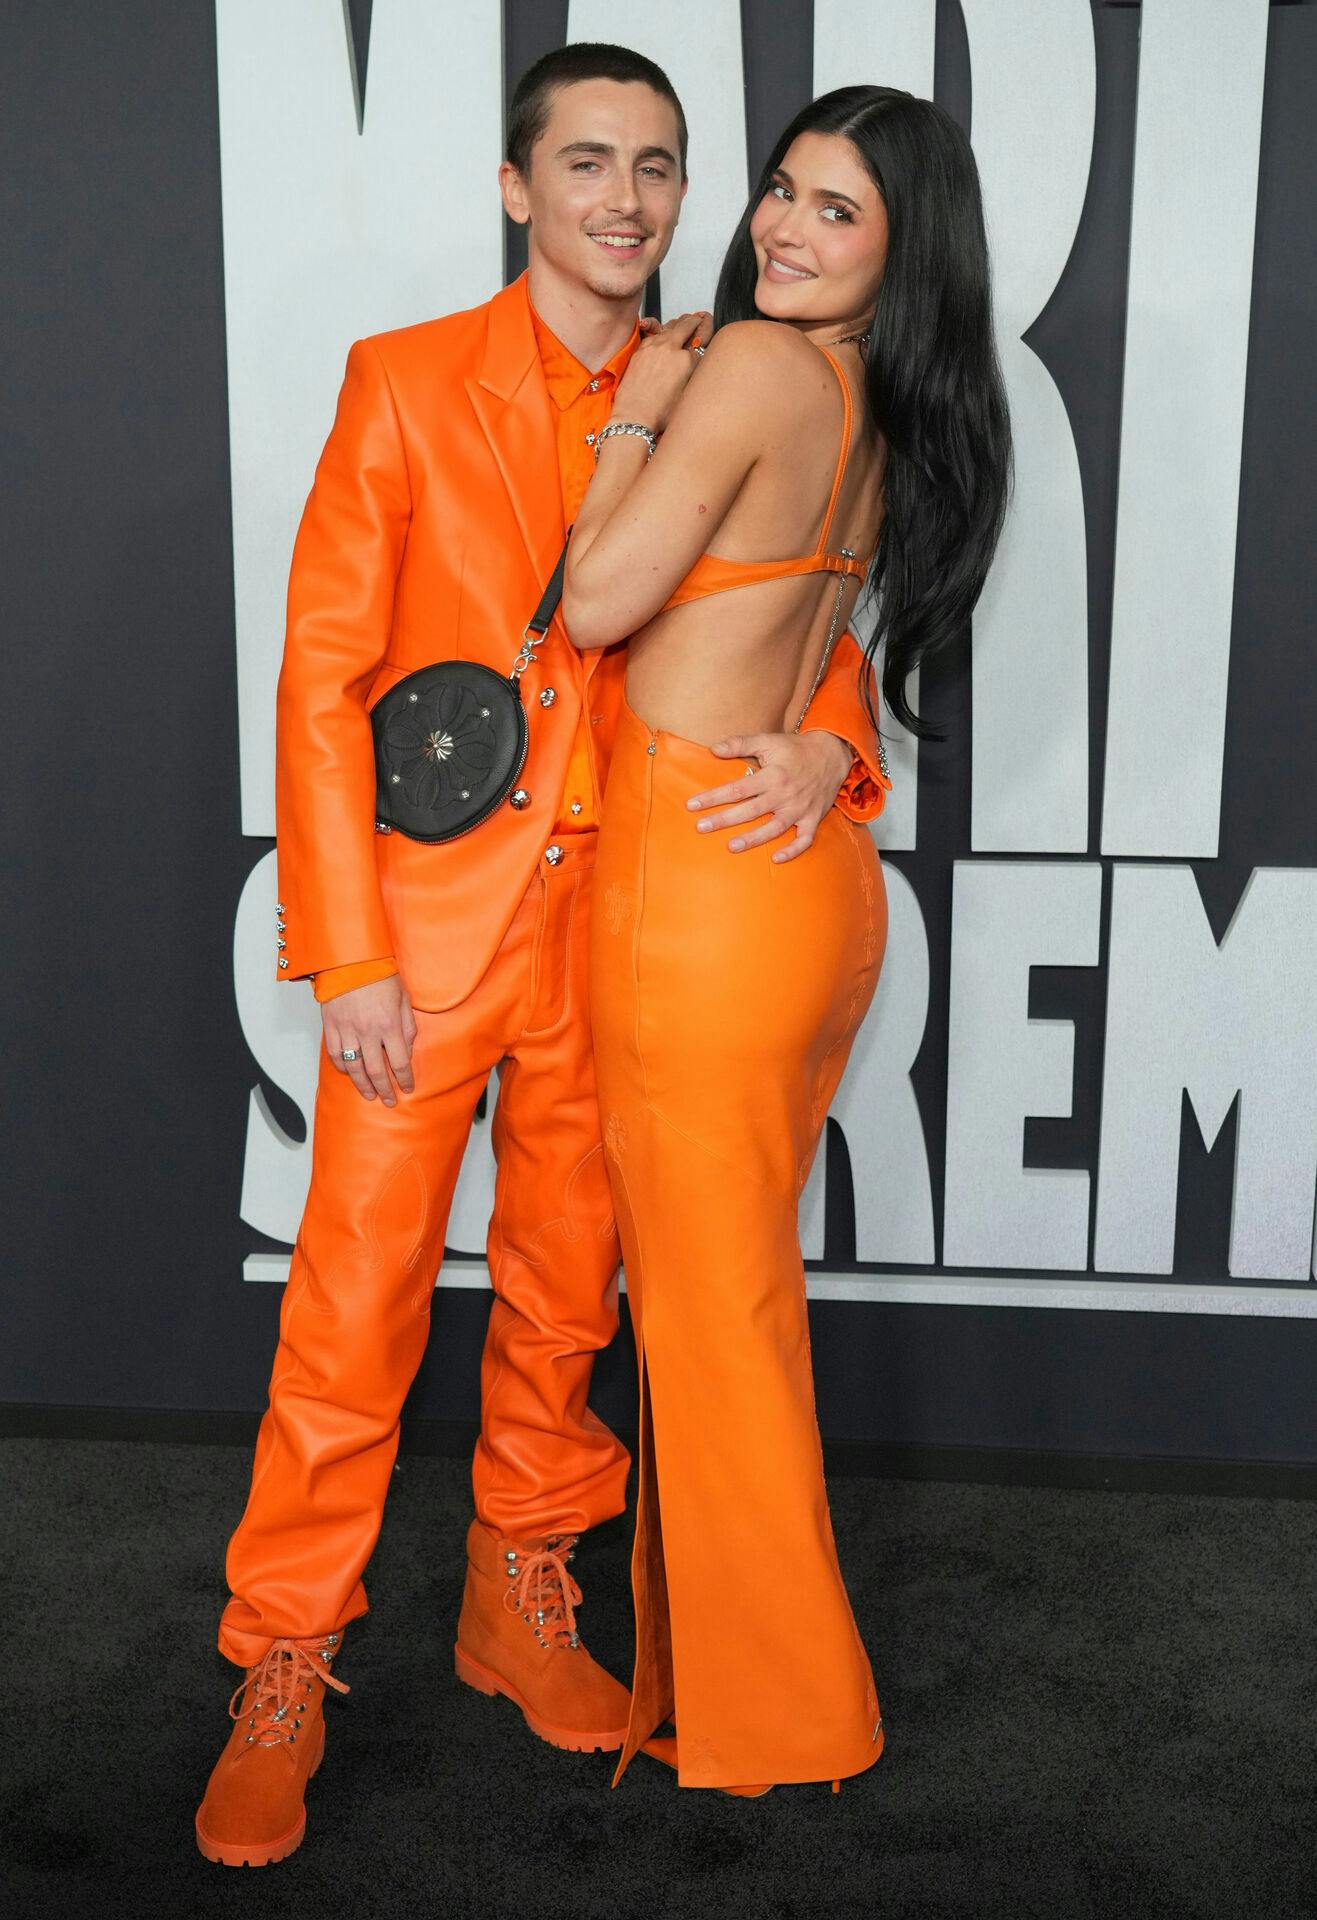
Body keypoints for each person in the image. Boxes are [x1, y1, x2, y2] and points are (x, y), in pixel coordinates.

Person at [195, 46, 889, 1866]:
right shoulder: (407, 384)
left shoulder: (725, 374)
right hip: (426, 945)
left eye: (659, 167)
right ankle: (283, 1660)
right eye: (587, 163)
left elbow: (791, 612)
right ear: (519, 188)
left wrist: (840, 744)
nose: (628, 200)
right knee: (351, 1316)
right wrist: (342, 950)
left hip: (641, 936)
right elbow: (323, 681)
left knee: (565, 1307)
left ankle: (522, 1602)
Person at [564, 85, 1011, 1793]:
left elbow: (597, 605)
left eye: (835, 211)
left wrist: (634, 413)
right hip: (800, 871)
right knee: (729, 1298)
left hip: (698, 871)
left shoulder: (748, 367)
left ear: (899, 253)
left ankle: (785, 1715)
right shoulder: (884, 395)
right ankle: (740, 1687)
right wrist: (832, 740)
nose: (779, 229)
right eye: (779, 189)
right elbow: (800, 621)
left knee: (714, 1314)